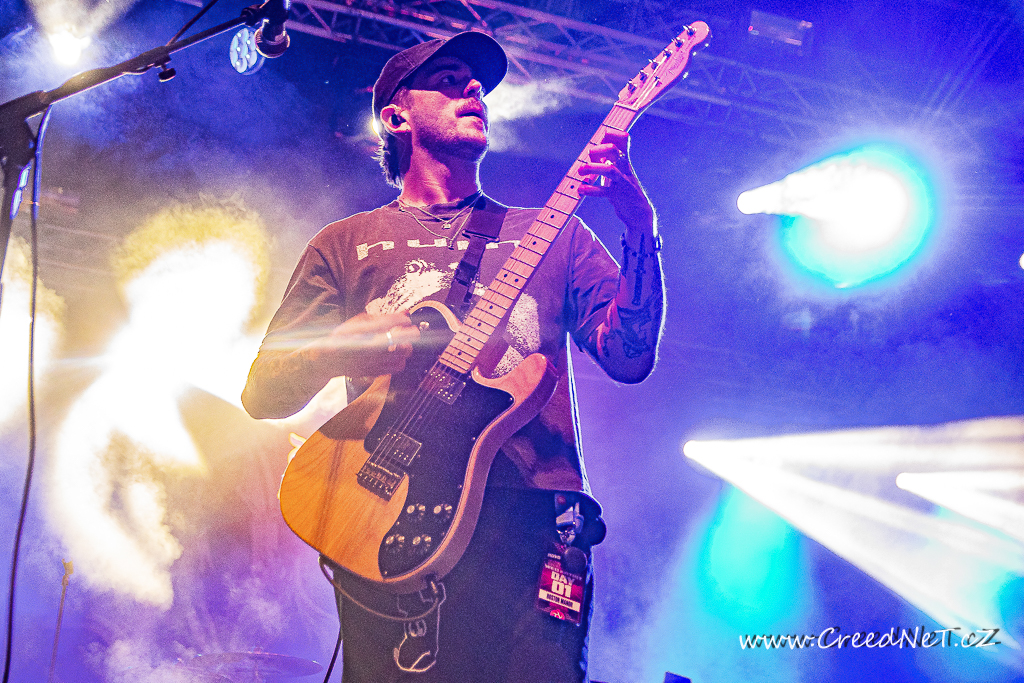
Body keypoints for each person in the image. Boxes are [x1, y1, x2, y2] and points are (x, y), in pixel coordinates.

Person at [242, 30, 664, 683]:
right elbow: (265, 392)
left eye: (478, 84)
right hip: (383, 517)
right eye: (448, 80)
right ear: (397, 117)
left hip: (529, 516)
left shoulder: (555, 236)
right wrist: (345, 340)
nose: (473, 90)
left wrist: (639, 228)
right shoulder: (345, 243)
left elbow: (629, 355)